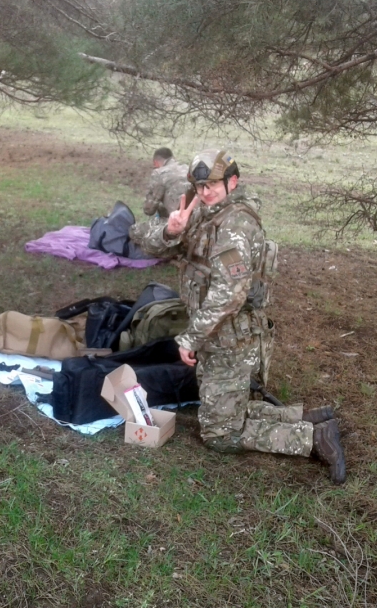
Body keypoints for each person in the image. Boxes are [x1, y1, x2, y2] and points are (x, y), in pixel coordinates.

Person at [132, 149, 346, 483]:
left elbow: (229, 293)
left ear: (232, 181)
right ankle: (308, 416)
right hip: (218, 334)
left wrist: (191, 338)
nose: (205, 192)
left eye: (212, 185)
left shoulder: (235, 226)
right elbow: (146, 240)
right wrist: (171, 231)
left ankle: (312, 437)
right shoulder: (206, 214)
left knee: (220, 435)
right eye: (200, 186)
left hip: (231, 338)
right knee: (222, 408)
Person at [143, 147, 189, 219]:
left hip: (174, 220)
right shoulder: (187, 168)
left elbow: (149, 210)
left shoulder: (159, 174)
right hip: (194, 218)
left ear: (155, 162)